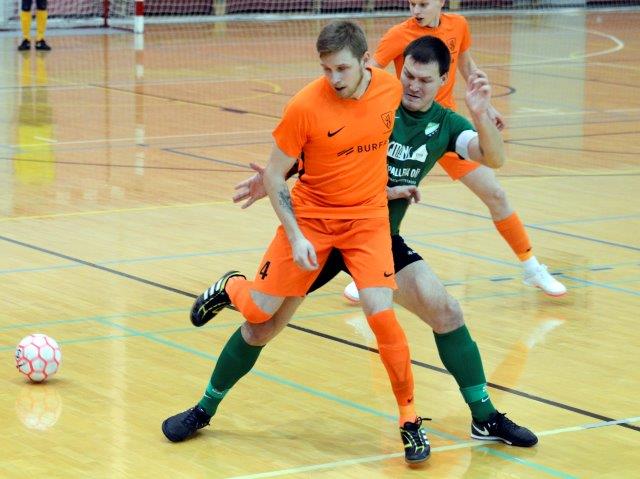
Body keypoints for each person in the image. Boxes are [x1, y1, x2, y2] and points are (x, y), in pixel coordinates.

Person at [233, 35, 538, 448]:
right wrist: (274, 176)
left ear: (443, 81)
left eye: (425, 80)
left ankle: (483, 417)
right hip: (323, 230)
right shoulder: (378, 99)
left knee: (447, 311)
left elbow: (493, 157)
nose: (413, 85)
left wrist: (481, 115)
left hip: (375, 236)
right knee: (262, 327)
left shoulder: (446, 125)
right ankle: (206, 403)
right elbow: (321, 142)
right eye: (408, 75)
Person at [162, 21, 431, 464]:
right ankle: (230, 299)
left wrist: (388, 189)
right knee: (259, 320)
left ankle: (410, 420)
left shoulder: (388, 90)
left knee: (382, 317)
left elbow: (369, 149)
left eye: (342, 68)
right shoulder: (305, 106)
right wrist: (296, 234)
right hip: (310, 220)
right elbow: (274, 175)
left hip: (366, 222)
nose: (334, 79)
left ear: (366, 62)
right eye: (326, 69)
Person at [340, 0, 565, 302]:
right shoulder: (398, 35)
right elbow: (371, 72)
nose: (416, 10)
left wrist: (486, 109)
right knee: (382, 196)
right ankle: (368, 269)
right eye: (412, 3)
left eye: (423, 4)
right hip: (404, 129)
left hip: (445, 132)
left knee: (496, 194)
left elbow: (468, 68)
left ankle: (532, 267)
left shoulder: (458, 26)